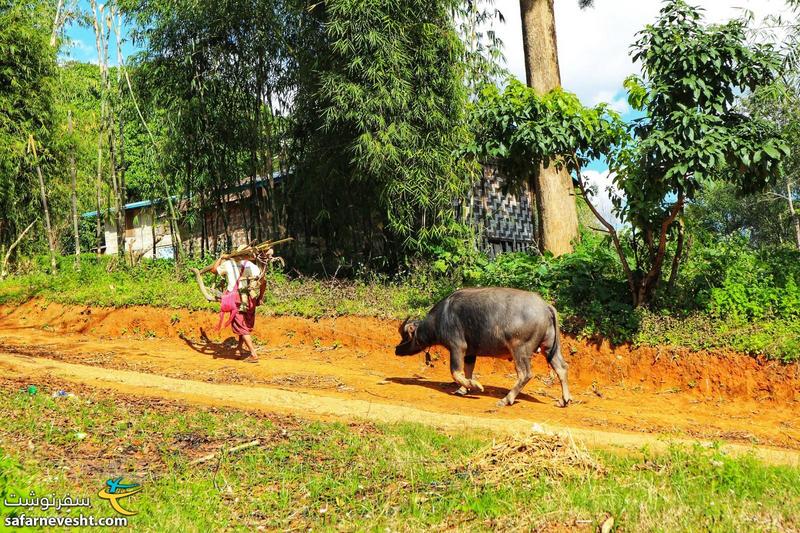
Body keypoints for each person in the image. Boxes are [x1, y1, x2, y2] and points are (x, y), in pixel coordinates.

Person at [192, 252, 267, 363]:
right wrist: (260, 297)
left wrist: (220, 257)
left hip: (236, 299)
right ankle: (239, 348)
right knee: (244, 324)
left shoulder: (228, 264)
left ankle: (253, 354)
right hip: (250, 298)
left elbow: (214, 270)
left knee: (241, 325)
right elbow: (263, 281)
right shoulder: (252, 266)